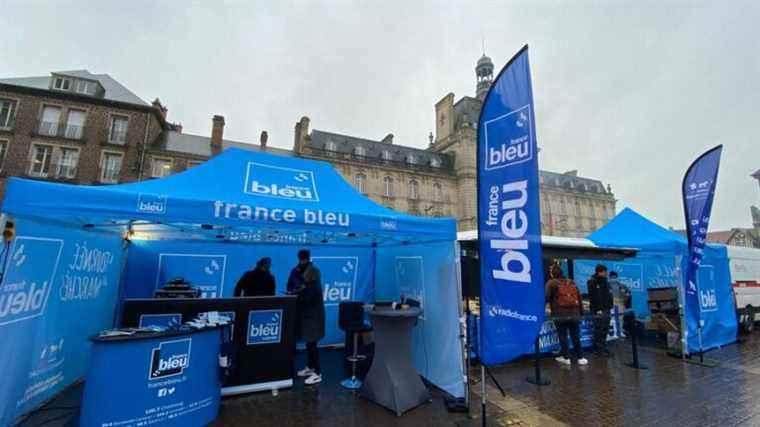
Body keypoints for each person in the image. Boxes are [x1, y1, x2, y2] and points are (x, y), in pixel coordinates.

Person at [288, 249, 325, 385]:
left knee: (312, 343)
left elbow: (309, 295)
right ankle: (310, 368)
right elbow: (292, 285)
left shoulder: (313, 272)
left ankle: (318, 373)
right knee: (309, 343)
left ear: (307, 258)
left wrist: (298, 291)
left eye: (303, 258)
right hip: (306, 314)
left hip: (314, 315)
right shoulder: (298, 270)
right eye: (300, 258)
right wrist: (296, 290)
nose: (301, 261)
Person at [545, 265, 587, 366]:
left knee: (562, 335)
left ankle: (566, 358)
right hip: (574, 313)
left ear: (552, 273)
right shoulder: (571, 281)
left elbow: (546, 297)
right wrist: (581, 312)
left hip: (560, 314)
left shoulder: (551, 283)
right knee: (575, 335)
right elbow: (579, 297)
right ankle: (581, 357)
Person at [588, 264, 614, 356]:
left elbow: (608, 294)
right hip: (599, 309)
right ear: (600, 272)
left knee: (605, 328)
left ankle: (603, 346)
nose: (606, 273)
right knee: (599, 328)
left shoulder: (605, 281)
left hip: (606, 308)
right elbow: (595, 297)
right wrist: (598, 309)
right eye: (605, 271)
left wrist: (610, 305)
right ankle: (598, 349)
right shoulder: (593, 281)